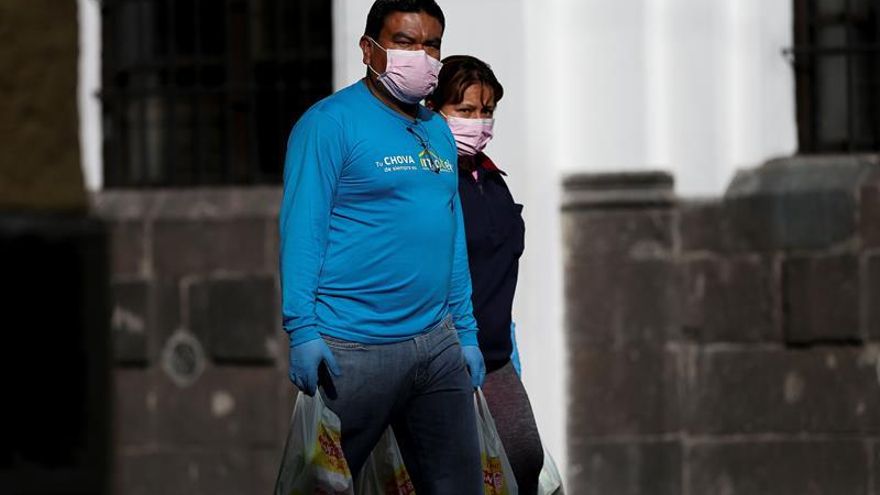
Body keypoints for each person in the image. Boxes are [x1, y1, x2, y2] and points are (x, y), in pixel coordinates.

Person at [279, 1, 485, 492]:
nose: (421, 55)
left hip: (436, 343)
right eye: (404, 42)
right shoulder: (329, 124)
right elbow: (302, 230)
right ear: (369, 49)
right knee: (322, 486)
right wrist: (302, 328)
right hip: (352, 347)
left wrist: (467, 331)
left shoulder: (436, 128)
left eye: (431, 44)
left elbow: (450, 233)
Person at [427, 55, 545, 494]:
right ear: (434, 108)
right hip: (443, 356)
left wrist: (507, 345)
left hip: (494, 354)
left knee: (523, 460)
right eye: (465, 111)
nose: (479, 123)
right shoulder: (428, 180)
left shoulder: (490, 178)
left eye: (486, 111)